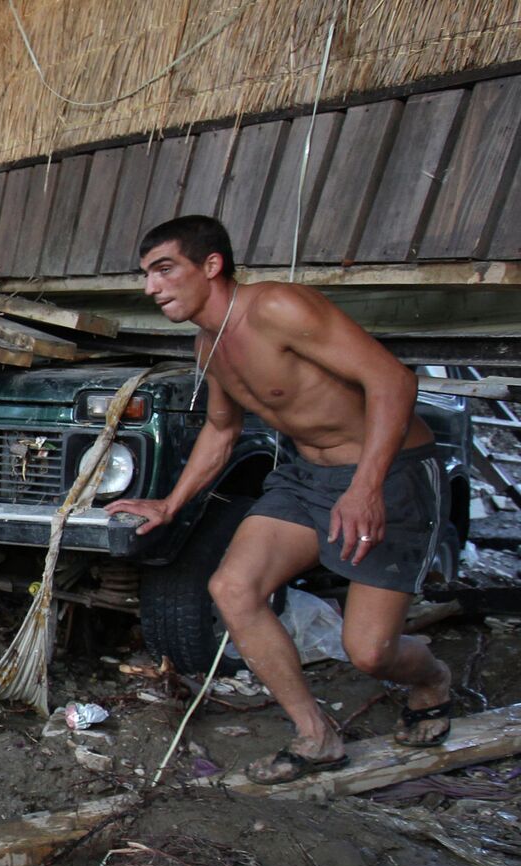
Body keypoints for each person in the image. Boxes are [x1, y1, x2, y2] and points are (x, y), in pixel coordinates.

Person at [108, 215, 453, 785]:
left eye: (165, 270)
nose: (151, 288)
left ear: (211, 265)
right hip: (303, 477)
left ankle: (432, 678)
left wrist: (366, 487)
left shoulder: (278, 309)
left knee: (370, 652)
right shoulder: (208, 345)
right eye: (147, 275)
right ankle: (316, 736)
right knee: (232, 588)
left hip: (388, 474)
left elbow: (393, 381)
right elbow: (221, 432)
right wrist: (170, 503)